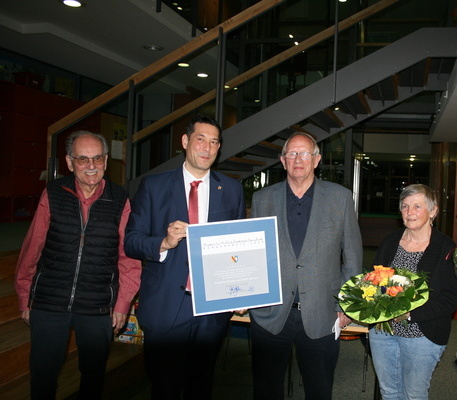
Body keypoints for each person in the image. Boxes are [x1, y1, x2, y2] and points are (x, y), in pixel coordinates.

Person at [14, 130, 142, 400]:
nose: (92, 166)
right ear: (70, 162)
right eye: (83, 159)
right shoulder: (52, 194)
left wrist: (121, 305)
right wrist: (26, 296)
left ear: (106, 161)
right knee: (43, 375)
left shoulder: (120, 200)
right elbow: (32, 247)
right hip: (50, 300)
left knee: (93, 376)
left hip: (97, 306)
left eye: (97, 158)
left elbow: (128, 259)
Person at [124, 116, 245, 399]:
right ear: (185, 141)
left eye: (214, 142)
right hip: (166, 307)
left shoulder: (231, 189)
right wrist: (164, 243)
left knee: (200, 387)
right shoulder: (153, 186)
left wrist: (242, 291)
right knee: (164, 387)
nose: (207, 147)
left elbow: (236, 250)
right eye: (201, 139)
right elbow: (131, 242)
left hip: (211, 313)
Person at [249, 132, 363, 400]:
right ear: (282, 160)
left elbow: (353, 257)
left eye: (304, 153)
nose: (297, 159)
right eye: (291, 153)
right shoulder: (262, 199)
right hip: (270, 313)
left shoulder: (340, 197)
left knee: (319, 390)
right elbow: (253, 254)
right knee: (265, 389)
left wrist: (346, 305)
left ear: (317, 160)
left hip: (323, 313)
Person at [368, 184, 457, 400]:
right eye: (405, 206)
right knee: (389, 393)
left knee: (414, 395)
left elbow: (449, 299)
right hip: (383, 333)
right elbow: (372, 282)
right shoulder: (390, 242)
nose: (410, 212)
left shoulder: (446, 248)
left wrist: (409, 314)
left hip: (422, 335)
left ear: (433, 211)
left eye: (417, 206)